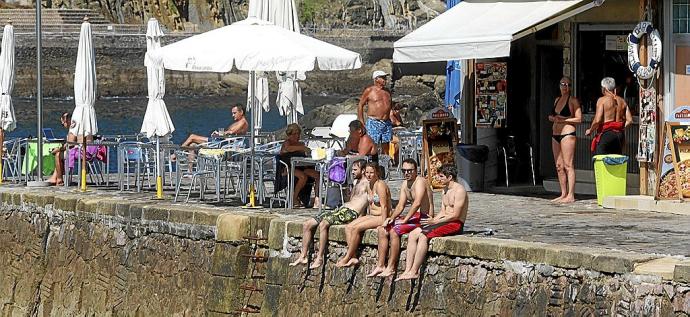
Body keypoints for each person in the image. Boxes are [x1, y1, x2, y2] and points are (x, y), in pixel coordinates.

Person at [289, 159, 369, 269]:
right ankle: (303, 256)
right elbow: (351, 199)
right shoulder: (356, 182)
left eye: (355, 170)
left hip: (350, 213)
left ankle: (320, 258)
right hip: (341, 209)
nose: (352, 172)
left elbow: (369, 203)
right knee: (307, 224)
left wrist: (360, 220)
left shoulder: (368, 184)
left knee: (323, 224)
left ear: (363, 170)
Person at [396, 164, 467, 281]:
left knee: (424, 235)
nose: (438, 179)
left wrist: (435, 222)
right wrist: (432, 221)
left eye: (441, 176)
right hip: (445, 220)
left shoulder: (460, 190)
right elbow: (443, 211)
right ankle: (407, 270)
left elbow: (455, 215)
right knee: (414, 233)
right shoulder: (445, 190)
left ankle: (414, 271)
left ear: (449, 177)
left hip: (455, 223)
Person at [367, 158, 433, 278]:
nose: (407, 173)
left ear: (416, 170)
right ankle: (381, 265)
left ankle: (391, 267)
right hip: (414, 217)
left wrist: (405, 220)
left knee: (395, 231)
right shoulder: (404, 184)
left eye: (410, 170)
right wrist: (391, 218)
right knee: (383, 229)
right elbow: (400, 205)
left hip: (424, 217)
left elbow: (417, 203)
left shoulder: (420, 182)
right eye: (404, 170)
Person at [336, 162, 390, 267]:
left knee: (356, 229)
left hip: (381, 216)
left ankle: (347, 257)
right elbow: (367, 206)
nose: (369, 175)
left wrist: (384, 223)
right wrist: (360, 218)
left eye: (372, 173)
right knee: (349, 227)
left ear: (377, 173)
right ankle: (354, 257)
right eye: (367, 173)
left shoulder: (380, 185)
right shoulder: (369, 185)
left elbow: (384, 207)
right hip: (372, 215)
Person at [548, 76, 582, 204]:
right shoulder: (557, 100)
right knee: (559, 165)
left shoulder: (573, 101)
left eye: (568, 84)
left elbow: (579, 118)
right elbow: (551, 115)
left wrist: (564, 120)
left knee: (568, 165)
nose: (565, 86)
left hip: (567, 133)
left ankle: (571, 194)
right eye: (563, 84)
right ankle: (563, 193)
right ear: (559, 85)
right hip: (555, 133)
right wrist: (554, 118)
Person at [280, 123, 321, 208]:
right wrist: (301, 148)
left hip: (302, 166)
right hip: (288, 168)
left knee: (318, 175)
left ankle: (317, 199)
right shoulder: (287, 143)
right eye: (294, 134)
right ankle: (293, 199)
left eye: (298, 133)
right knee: (302, 176)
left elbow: (306, 155)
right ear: (289, 134)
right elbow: (287, 149)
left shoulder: (301, 144)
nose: (297, 136)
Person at [586, 77, 628, 156]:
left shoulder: (602, 100)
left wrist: (590, 130)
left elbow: (597, 120)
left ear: (604, 88)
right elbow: (629, 120)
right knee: (616, 162)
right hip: (620, 135)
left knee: (602, 162)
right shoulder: (622, 101)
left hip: (606, 134)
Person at [180, 104, 248, 148]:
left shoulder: (243, 122)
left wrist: (219, 134)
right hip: (221, 142)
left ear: (241, 112)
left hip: (222, 144)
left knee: (192, 137)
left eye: (234, 113)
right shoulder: (238, 122)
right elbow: (230, 133)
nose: (232, 115)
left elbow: (231, 132)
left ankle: (176, 154)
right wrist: (218, 134)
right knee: (192, 145)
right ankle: (190, 169)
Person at [358, 71, 393, 156]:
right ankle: (371, 164)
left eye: (385, 78)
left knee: (386, 146)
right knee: (372, 145)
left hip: (386, 122)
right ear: (376, 79)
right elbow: (360, 105)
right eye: (383, 78)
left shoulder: (387, 91)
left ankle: (385, 165)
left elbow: (389, 106)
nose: (385, 80)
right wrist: (361, 122)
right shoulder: (369, 91)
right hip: (374, 122)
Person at [46, 112, 77, 185]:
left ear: (68, 121)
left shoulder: (73, 129)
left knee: (58, 155)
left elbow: (70, 144)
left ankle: (59, 180)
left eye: (63, 123)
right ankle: (54, 177)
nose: (63, 125)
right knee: (60, 154)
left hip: (77, 151)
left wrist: (59, 149)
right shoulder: (75, 127)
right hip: (77, 149)